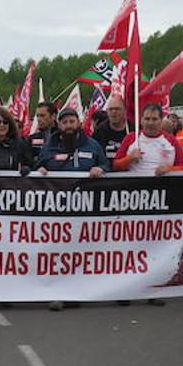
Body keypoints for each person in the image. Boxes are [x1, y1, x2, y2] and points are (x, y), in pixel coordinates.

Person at [36, 108, 107, 311]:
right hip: (58, 212)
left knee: (80, 253)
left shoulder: (92, 145)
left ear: (79, 123)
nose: (68, 125)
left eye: (71, 121)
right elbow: (38, 165)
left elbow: (105, 164)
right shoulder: (50, 146)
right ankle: (56, 294)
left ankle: (77, 292)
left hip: (85, 211)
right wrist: (39, 170)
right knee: (58, 253)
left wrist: (101, 169)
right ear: (59, 125)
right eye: (64, 122)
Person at [111, 104, 183, 175]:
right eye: (147, 119)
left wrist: (170, 169)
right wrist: (129, 159)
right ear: (141, 120)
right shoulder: (131, 138)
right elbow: (115, 165)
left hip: (163, 186)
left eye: (154, 119)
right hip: (135, 187)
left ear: (161, 121)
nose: (150, 123)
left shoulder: (171, 140)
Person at [91, 96, 130, 162]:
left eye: (117, 109)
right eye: (110, 109)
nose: (114, 112)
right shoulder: (100, 130)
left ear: (124, 111)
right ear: (107, 112)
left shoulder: (133, 129)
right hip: (107, 170)